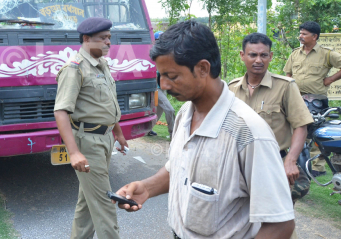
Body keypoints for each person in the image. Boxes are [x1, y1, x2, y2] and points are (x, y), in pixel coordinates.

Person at [115, 20, 295, 239]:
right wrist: (146, 188)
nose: (164, 86)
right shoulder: (184, 114)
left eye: (172, 76)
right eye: (160, 76)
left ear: (202, 68)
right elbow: (180, 169)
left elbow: (280, 224)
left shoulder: (248, 133)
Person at [228, 33, 313, 239]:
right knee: (240, 220)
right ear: (242, 55)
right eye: (253, 55)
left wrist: (291, 161)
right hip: (240, 167)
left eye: (264, 55)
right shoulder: (231, 88)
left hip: (275, 164)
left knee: (277, 222)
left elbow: (301, 125)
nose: (258, 60)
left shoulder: (285, 86)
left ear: (271, 56)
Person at [54, 17, 128, 239]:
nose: (108, 42)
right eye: (103, 38)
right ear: (86, 39)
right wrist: (74, 152)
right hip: (88, 142)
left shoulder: (101, 64)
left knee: (87, 204)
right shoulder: (74, 69)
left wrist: (119, 133)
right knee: (105, 203)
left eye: (109, 38)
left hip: (104, 139)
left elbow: (107, 104)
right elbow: (61, 112)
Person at [283, 21, 341, 176]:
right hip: (296, 99)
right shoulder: (295, 53)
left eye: (304, 34)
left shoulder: (326, 53)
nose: (300, 36)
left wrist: (330, 80)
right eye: (300, 33)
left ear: (314, 36)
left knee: (316, 132)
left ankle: (317, 167)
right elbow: (288, 74)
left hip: (317, 100)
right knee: (295, 130)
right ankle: (296, 162)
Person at [148, 31, 176, 138]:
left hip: (162, 87)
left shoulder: (164, 54)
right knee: (170, 109)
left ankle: (148, 129)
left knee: (158, 110)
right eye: (159, 40)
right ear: (154, 41)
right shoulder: (151, 55)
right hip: (156, 88)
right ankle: (173, 133)